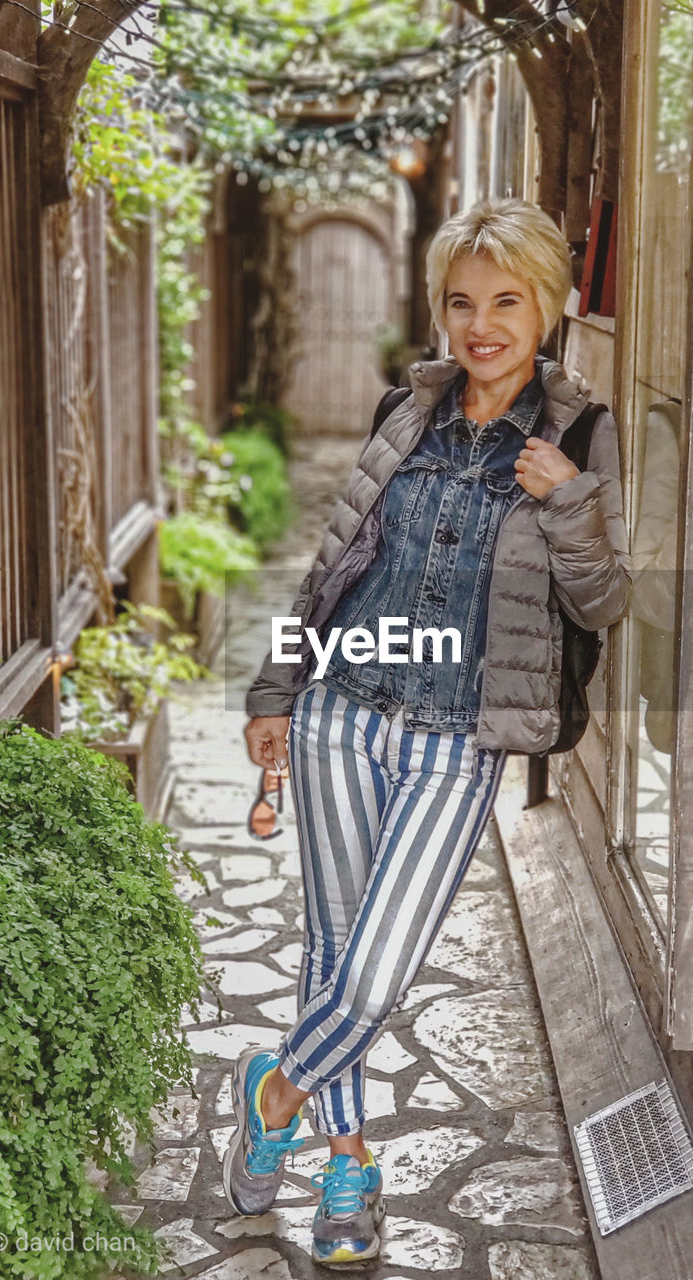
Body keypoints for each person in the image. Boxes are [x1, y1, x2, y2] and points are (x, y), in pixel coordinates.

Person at [221, 197, 632, 1266]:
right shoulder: (402, 411)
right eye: (462, 301)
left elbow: (602, 603)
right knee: (328, 951)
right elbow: (333, 565)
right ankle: (348, 1164)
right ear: (441, 308)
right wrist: (276, 688)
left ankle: (272, 1091)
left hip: (459, 736)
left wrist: (571, 502)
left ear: (549, 304)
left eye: (507, 300)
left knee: (375, 973)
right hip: (341, 713)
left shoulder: (581, 432)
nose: (482, 324)